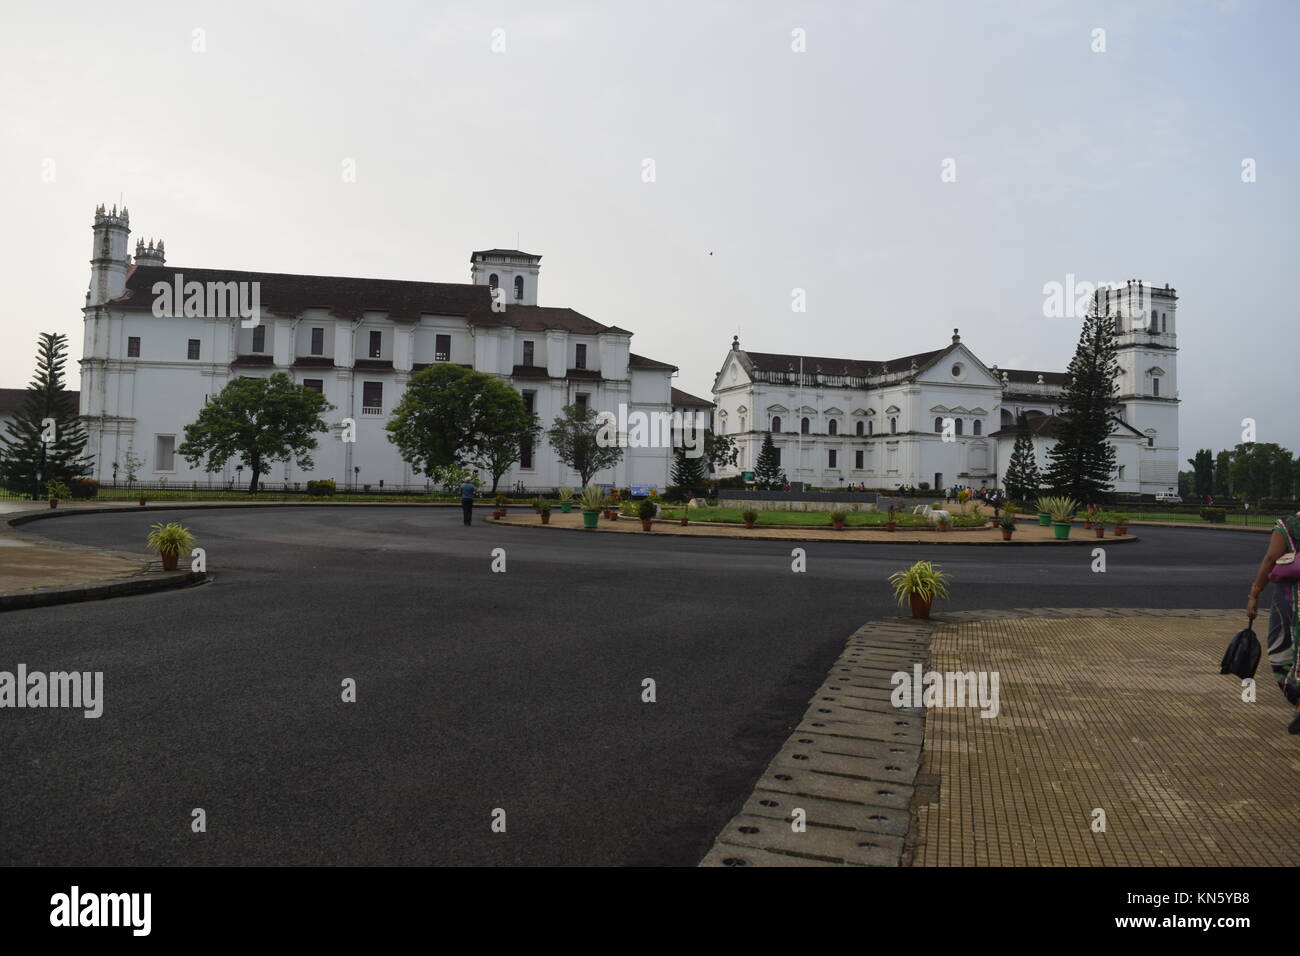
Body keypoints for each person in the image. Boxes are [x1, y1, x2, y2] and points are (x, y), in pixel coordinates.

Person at [1247, 510, 1300, 734]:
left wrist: (1255, 592)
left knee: (1283, 648)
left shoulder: (1287, 525)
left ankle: (1298, 701)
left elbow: (1271, 559)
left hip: (1290, 599)